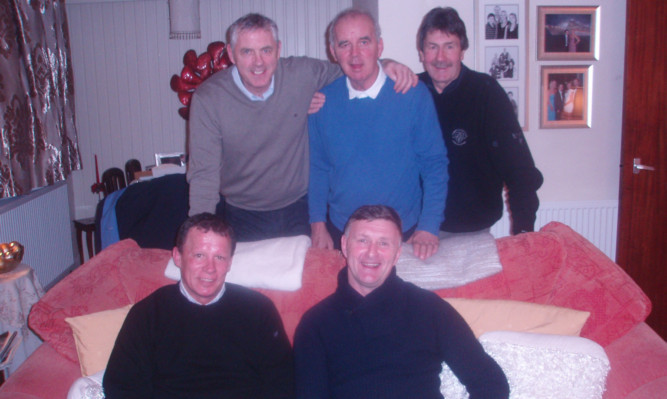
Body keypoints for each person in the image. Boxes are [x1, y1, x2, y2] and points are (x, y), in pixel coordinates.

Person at [187, 13, 416, 242]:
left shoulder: (303, 74)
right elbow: (203, 176)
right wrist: (199, 235)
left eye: (266, 50)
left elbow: (353, 70)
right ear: (231, 54)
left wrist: (384, 64)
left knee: (311, 276)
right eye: (247, 51)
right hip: (242, 213)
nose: (258, 62)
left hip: (300, 208)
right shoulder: (209, 99)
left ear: (278, 49)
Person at [294, 205, 509, 399]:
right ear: (345, 245)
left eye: (383, 243)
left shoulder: (429, 309)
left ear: (397, 254)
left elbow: (490, 383)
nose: (372, 252)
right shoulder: (316, 323)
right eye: (363, 240)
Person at [103, 213, 294, 398]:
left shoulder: (259, 310)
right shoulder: (148, 314)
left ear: (229, 263)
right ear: (178, 257)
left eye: (219, 257)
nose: (209, 268)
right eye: (199, 255)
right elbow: (122, 385)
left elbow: (283, 382)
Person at [308, 8, 448, 260]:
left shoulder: (413, 95)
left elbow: (434, 164)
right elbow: (319, 168)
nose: (355, 54)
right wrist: (317, 223)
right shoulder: (322, 102)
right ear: (333, 52)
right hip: (343, 233)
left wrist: (429, 225)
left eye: (364, 42)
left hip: (404, 234)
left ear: (380, 47)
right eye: (344, 44)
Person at [417, 7, 543, 235]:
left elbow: (519, 170)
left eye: (450, 46)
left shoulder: (486, 93)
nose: (440, 58)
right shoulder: (409, 92)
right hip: (416, 230)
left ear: (462, 51)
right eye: (432, 47)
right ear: (421, 52)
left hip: (471, 230)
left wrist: (525, 234)